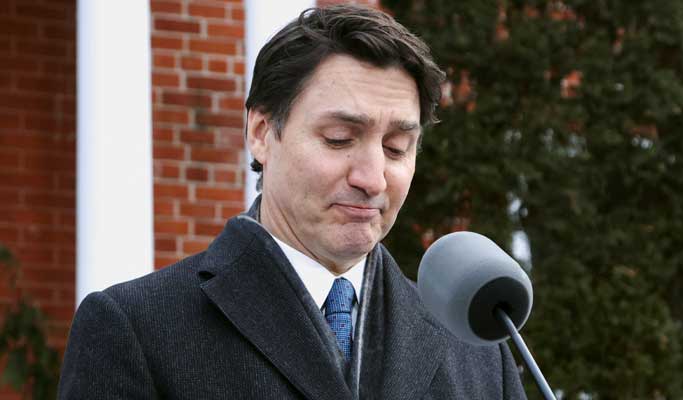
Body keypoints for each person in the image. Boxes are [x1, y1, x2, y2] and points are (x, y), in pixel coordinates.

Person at [58, 5, 527, 399]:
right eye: (340, 139)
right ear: (262, 133)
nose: (372, 178)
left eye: (396, 148)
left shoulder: (479, 346)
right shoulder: (134, 328)